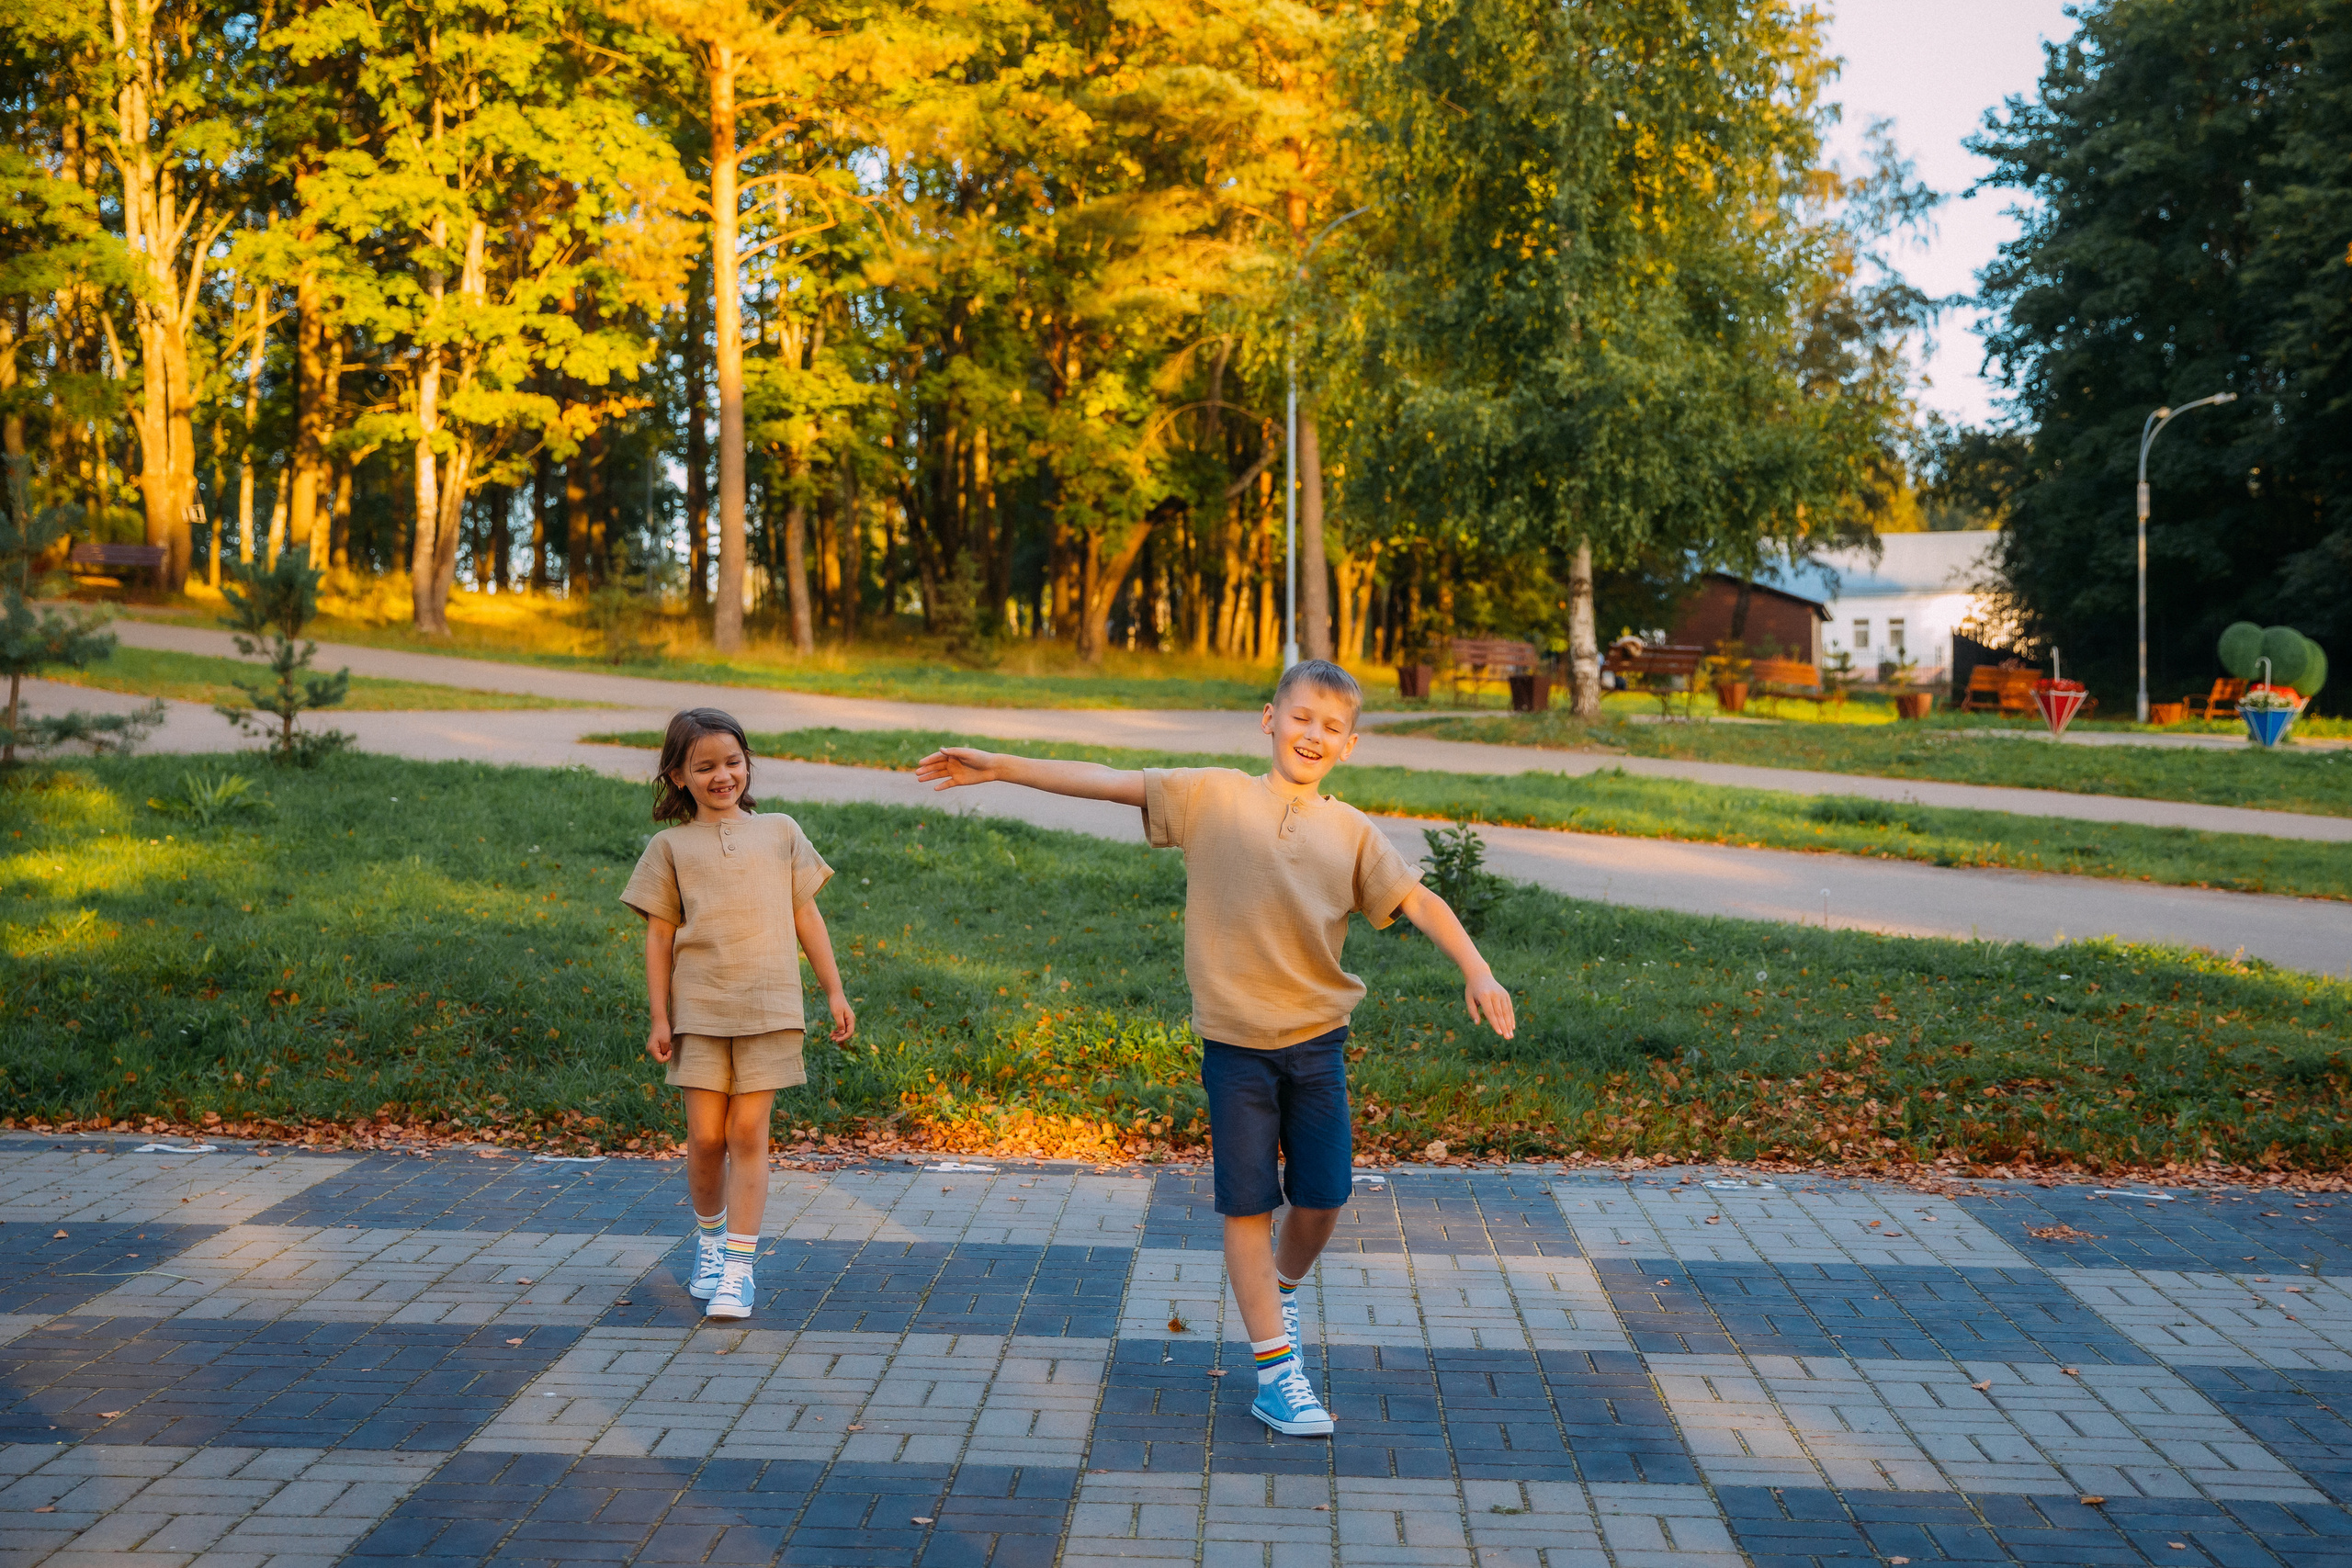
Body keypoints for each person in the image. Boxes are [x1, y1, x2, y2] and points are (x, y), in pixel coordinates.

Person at [914, 660, 1515, 1437]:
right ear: (1270, 719)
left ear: (1350, 745)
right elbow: (1105, 778)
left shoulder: (1351, 831)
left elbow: (1419, 898)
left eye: (1331, 726)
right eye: (1301, 717)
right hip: (1236, 1050)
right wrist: (1002, 767)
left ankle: (1281, 1291)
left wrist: (1478, 967)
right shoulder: (1212, 795)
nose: (1313, 734)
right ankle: (1276, 1374)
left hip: (1317, 1046)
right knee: (1246, 1205)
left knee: (1325, 1198)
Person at [622, 708, 854, 1320]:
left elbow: (807, 915)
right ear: (678, 776)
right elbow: (658, 936)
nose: (722, 775)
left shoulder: (780, 830)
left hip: (772, 1008)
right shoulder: (668, 846)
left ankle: (740, 1269)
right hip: (700, 1009)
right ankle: (710, 1241)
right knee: (705, 1136)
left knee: (748, 1133)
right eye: (705, 766)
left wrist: (834, 990)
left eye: (732, 761)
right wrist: (659, 1014)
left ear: (748, 764)